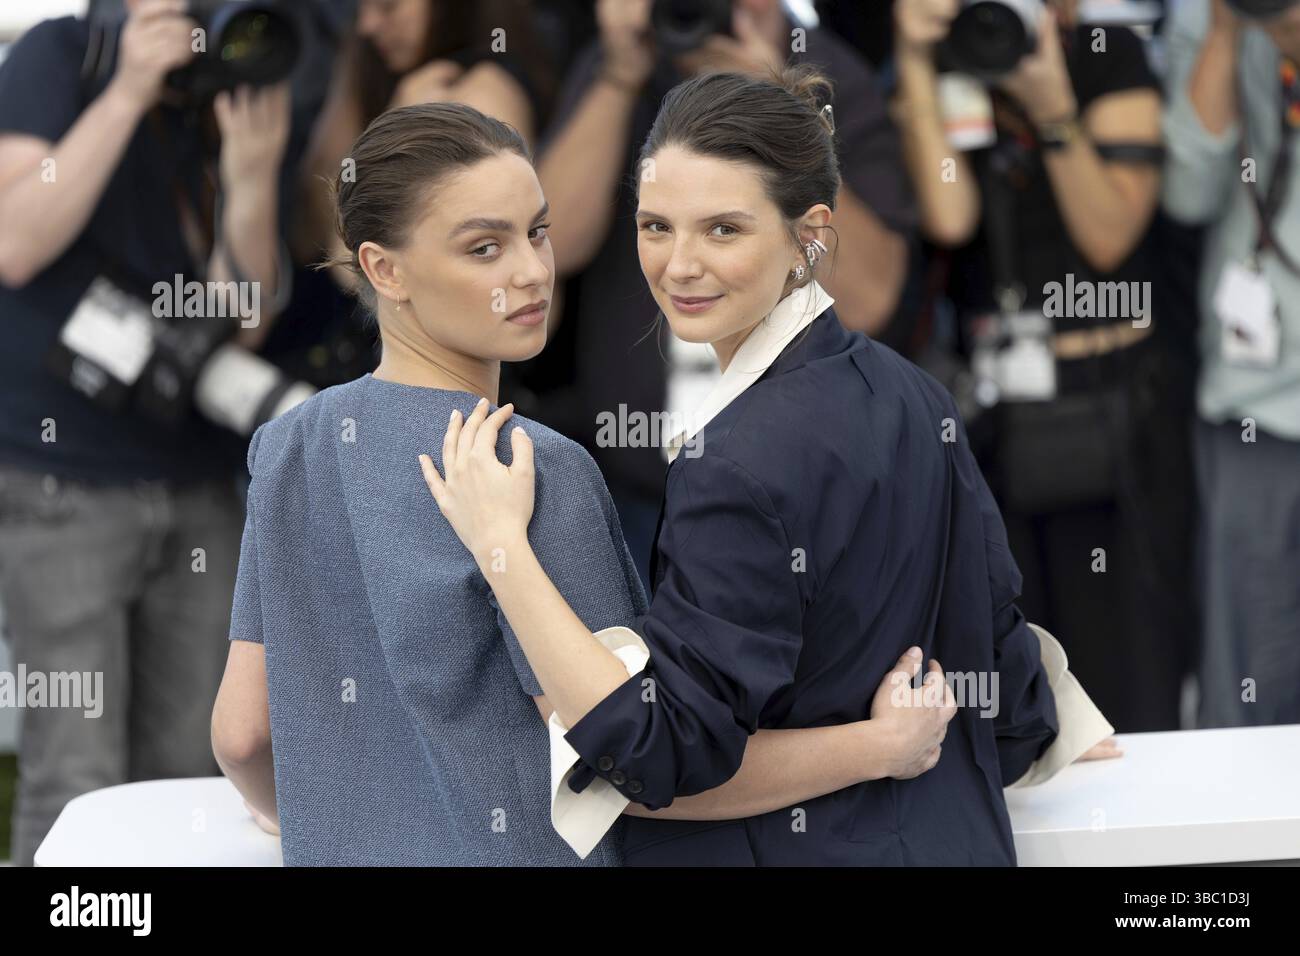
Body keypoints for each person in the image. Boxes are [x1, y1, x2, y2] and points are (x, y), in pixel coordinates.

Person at [211, 101, 956, 866]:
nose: (532, 272)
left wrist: (307, 819)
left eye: (536, 231)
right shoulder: (533, 467)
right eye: (484, 249)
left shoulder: (289, 446)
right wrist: (881, 746)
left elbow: (242, 736)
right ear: (382, 269)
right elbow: (638, 769)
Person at [419, 68, 1120, 867]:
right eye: (656, 226)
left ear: (809, 233)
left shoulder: (736, 464)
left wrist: (500, 547)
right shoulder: (917, 395)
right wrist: (1047, 727)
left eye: (723, 230)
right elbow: (1005, 687)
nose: (679, 265)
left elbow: (658, 755)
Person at [0, 0, 295, 865]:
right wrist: (128, 89)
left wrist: (250, 173)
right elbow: (15, 239)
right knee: (74, 779)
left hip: (196, 479)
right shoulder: (67, 54)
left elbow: (235, 319)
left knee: (194, 782)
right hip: (63, 483)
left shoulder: (218, 90)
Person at [534, 0, 917, 590]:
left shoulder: (829, 71)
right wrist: (617, 75)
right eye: (658, 225)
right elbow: (545, 245)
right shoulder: (625, 62)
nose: (685, 265)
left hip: (800, 494)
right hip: (639, 492)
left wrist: (777, 106)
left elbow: (869, 295)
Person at [890, 0, 1195, 732]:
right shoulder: (951, 61)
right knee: (1026, 666)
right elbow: (950, 217)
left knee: (1131, 670)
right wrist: (913, 59)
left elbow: (1110, 237)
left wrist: (1053, 108)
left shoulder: (1103, 51)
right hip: (1009, 420)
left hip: (1113, 411)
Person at [1162, 0, 1300, 727]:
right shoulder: (1211, 16)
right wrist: (1227, 30)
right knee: (1253, 674)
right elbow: (1188, 191)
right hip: (1255, 401)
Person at [297, 0, 550, 294]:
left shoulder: (478, 92)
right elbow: (307, 230)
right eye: (359, 8)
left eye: (389, 7)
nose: (367, 26)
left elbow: (349, 265)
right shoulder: (377, 74)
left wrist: (392, 131)